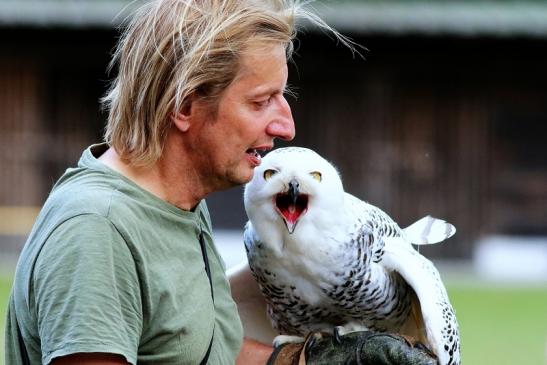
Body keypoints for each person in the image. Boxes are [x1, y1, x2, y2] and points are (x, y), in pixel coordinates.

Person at [5, 0, 437, 364]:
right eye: (260, 101)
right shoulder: (98, 231)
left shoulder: (176, 204)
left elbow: (193, 351)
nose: (285, 125)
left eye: (282, 98)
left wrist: (315, 360)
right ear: (185, 106)